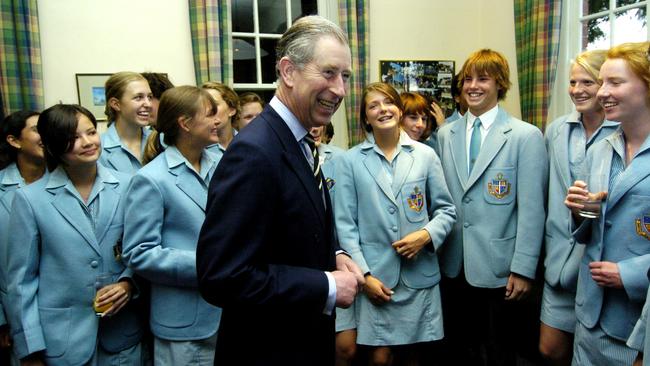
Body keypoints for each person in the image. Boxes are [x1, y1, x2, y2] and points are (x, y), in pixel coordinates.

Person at [196, 15, 365, 366]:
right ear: (288, 72)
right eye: (329, 73)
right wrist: (327, 287)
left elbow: (287, 229)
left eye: (345, 76)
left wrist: (332, 254)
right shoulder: (255, 151)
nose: (340, 90)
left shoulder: (299, 140)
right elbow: (222, 277)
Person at [4, 104, 142, 365]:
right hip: (62, 341)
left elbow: (141, 248)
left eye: (91, 132)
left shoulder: (129, 184)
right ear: (53, 145)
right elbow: (21, 282)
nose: (87, 142)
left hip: (122, 338)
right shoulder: (31, 199)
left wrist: (128, 283)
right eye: (74, 138)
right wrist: (30, 351)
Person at [436, 49, 548, 365]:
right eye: (467, 79)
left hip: (501, 268)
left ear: (500, 84)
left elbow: (532, 210)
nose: (473, 86)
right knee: (459, 350)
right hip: (453, 264)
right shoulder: (446, 134)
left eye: (482, 79)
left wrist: (524, 268)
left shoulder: (525, 136)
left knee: (499, 352)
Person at [335, 82, 456, 365]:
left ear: (399, 110)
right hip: (377, 278)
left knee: (416, 355)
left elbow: (447, 210)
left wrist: (425, 235)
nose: (382, 109)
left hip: (419, 277)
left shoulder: (425, 155)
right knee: (380, 358)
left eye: (388, 102)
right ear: (365, 117)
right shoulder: (350, 161)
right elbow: (345, 225)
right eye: (373, 105)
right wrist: (364, 277)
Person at [123, 86, 222, 365]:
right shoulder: (152, 179)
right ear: (185, 123)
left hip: (230, 313)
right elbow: (139, 252)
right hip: (184, 325)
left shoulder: (223, 164)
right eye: (210, 114)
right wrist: (208, 266)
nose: (218, 120)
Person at [565, 41, 650, 366]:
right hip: (589, 318)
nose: (602, 93)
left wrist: (630, 274)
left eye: (615, 83)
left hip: (636, 324)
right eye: (602, 82)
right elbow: (590, 231)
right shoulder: (601, 149)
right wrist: (581, 210)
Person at [539, 49, 618, 366]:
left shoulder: (622, 132)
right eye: (572, 82)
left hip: (598, 263)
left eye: (587, 81)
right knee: (549, 349)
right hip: (558, 259)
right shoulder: (557, 129)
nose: (577, 90)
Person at [0, 111, 46, 366]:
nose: (45, 136)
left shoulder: (66, 181)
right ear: (14, 141)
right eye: (37, 129)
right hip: (14, 312)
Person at [99, 71, 153, 174]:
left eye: (149, 97)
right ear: (116, 104)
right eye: (138, 97)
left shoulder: (161, 142)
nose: (148, 104)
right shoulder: (97, 149)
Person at [202, 82, 239, 156]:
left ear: (231, 110)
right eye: (203, 105)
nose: (207, 110)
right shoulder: (198, 148)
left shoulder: (247, 142)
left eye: (214, 104)